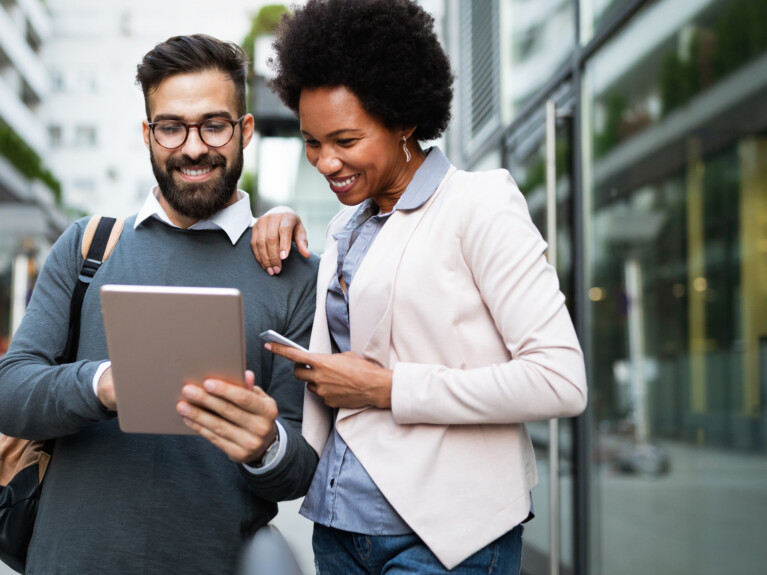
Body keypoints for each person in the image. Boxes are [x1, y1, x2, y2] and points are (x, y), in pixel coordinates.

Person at [250, 1, 589, 573]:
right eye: (312, 142)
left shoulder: (479, 204)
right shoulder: (343, 227)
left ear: (403, 119)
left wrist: (387, 389)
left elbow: (560, 381)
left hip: (444, 537)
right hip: (339, 527)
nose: (326, 162)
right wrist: (276, 217)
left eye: (345, 140)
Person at [0, 34, 319, 574]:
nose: (193, 147)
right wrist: (105, 383)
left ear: (244, 130)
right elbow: (10, 393)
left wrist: (266, 444)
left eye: (213, 125)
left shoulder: (293, 273)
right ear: (148, 135)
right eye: (171, 127)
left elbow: (301, 468)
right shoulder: (90, 248)